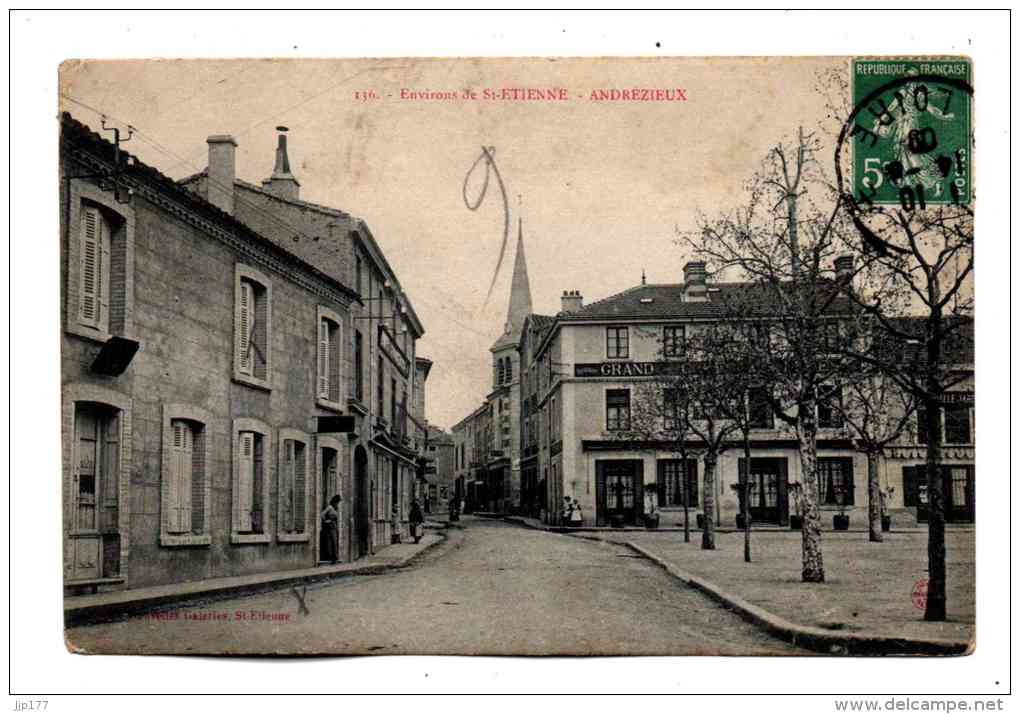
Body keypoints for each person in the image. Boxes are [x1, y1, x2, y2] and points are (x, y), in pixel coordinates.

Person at [320, 494, 341, 564]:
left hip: (334, 528)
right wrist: (326, 521)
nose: (337, 504)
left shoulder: (335, 509)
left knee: (334, 543)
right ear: (334, 502)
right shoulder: (330, 508)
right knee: (331, 543)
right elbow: (322, 514)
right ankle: (332, 558)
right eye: (337, 502)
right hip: (329, 528)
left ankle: (334, 558)